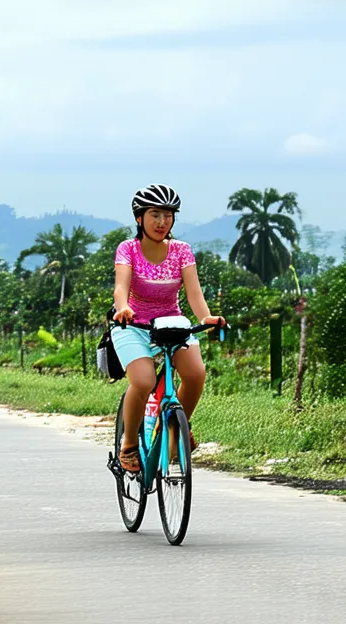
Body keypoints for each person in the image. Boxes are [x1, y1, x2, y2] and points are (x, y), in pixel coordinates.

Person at [110, 184, 224, 472]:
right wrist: (123, 307)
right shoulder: (128, 249)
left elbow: (193, 294)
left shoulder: (181, 251)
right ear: (139, 218)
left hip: (172, 322)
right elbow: (120, 287)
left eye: (168, 215)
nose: (162, 222)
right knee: (144, 381)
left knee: (196, 374)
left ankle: (174, 427)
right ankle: (129, 445)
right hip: (132, 324)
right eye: (155, 214)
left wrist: (207, 317)